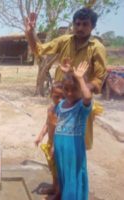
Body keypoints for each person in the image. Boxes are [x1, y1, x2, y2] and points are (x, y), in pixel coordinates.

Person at [25, 7, 107, 150]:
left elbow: (99, 78)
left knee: (76, 144)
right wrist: (30, 33)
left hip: (80, 103)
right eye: (77, 24)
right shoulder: (64, 41)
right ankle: (57, 169)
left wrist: (82, 88)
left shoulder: (97, 48)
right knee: (54, 137)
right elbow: (39, 50)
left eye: (85, 24)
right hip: (61, 99)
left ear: (92, 26)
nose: (80, 28)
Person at [54, 61, 92, 199]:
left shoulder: (81, 107)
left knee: (73, 175)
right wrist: (68, 74)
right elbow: (58, 124)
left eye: (74, 90)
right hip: (60, 147)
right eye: (66, 90)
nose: (69, 93)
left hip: (73, 149)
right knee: (63, 174)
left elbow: (87, 96)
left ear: (80, 90)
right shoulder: (61, 104)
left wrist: (80, 78)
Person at [34, 82, 64, 199]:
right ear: (51, 95)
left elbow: (60, 130)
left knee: (59, 168)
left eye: (63, 97)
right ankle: (54, 187)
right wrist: (40, 136)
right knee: (52, 167)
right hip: (50, 143)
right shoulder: (51, 109)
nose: (60, 99)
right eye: (57, 96)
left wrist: (55, 146)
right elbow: (47, 124)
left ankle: (59, 193)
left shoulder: (64, 111)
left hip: (59, 144)